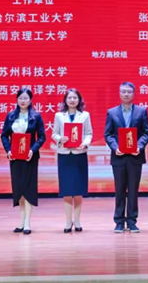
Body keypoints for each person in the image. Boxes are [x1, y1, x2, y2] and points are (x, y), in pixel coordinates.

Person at [104, 82, 148, 233]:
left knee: (133, 190)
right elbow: (108, 134)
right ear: (119, 93)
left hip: (135, 157)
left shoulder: (141, 111)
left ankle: (132, 221)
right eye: (123, 91)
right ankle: (119, 221)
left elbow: (146, 133)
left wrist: (139, 147)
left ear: (134, 94)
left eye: (129, 92)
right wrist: (115, 147)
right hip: (118, 157)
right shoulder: (112, 112)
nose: (126, 94)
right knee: (119, 190)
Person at [1, 88, 46, 235]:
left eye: (26, 98)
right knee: (19, 188)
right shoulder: (10, 116)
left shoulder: (36, 116)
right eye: (20, 98)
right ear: (17, 99)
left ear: (31, 100)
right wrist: (8, 150)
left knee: (28, 188)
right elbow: (4, 135)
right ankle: (21, 221)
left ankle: (27, 222)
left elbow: (42, 137)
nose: (23, 101)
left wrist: (32, 150)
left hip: (29, 157)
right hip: (15, 157)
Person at [51, 88, 93, 233]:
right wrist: (60, 139)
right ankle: (68, 221)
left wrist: (85, 144)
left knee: (78, 190)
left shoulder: (85, 115)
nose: (72, 100)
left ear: (79, 100)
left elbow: (88, 133)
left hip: (79, 155)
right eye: (70, 98)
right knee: (67, 190)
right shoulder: (59, 116)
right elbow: (54, 133)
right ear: (65, 100)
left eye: (75, 97)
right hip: (64, 155)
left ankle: (78, 220)